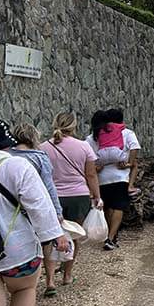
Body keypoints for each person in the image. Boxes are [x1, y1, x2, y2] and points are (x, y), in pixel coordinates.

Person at [0, 118, 68, 306]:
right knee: (24, 289)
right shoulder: (16, 165)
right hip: (18, 249)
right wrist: (55, 236)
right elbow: (39, 204)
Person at [40, 112, 102, 288]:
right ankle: (67, 275)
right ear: (73, 126)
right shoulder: (83, 146)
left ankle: (50, 280)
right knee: (73, 235)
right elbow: (91, 174)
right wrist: (97, 196)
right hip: (78, 196)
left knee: (51, 236)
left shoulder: (43, 147)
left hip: (52, 198)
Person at [10, 123, 63, 297]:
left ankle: (16, 285)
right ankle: (49, 281)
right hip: (36, 208)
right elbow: (49, 188)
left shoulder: (6, 156)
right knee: (45, 244)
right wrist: (57, 213)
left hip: (13, 212)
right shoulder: (39, 157)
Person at [86, 108, 140, 251]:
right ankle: (111, 237)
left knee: (108, 207)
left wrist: (96, 167)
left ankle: (110, 235)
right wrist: (129, 163)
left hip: (101, 178)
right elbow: (135, 147)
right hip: (120, 176)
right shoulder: (126, 133)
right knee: (118, 207)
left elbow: (89, 157)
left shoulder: (92, 137)